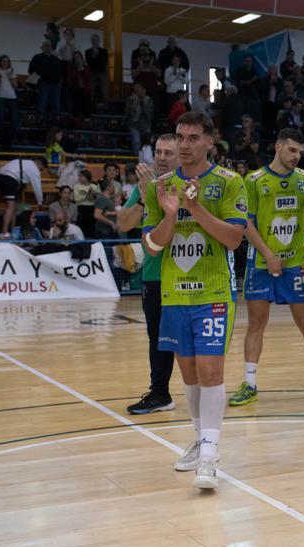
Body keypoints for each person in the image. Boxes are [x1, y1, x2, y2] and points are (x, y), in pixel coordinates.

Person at [141, 112, 248, 490]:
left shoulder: (230, 182)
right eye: (179, 137)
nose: (184, 145)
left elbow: (234, 239)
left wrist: (197, 208)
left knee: (210, 372)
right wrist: (171, 214)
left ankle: (209, 456)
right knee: (188, 376)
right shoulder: (162, 186)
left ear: (209, 142)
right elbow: (152, 246)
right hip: (174, 294)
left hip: (214, 293)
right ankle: (200, 440)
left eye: (192, 138)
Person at [228, 128, 304, 407]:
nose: (297, 156)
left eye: (300, 151)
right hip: (260, 263)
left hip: (295, 263)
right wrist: (268, 254)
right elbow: (246, 223)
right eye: (292, 150)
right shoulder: (254, 180)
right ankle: (249, 383)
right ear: (278, 147)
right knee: (256, 324)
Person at [119, 135, 178, 414]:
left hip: (186, 275)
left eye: (168, 152)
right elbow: (123, 223)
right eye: (158, 152)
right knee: (157, 338)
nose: (161, 157)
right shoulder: (145, 186)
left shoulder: (187, 184)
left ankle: (206, 390)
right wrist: (144, 199)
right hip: (154, 275)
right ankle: (160, 393)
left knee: (191, 338)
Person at [29, 40, 63, 122]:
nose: (48, 47)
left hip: (55, 85)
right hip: (43, 84)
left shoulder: (56, 59)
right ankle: (40, 119)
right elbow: (31, 70)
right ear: (41, 48)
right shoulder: (37, 57)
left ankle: (55, 120)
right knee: (42, 103)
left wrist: (60, 83)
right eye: (46, 45)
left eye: (49, 46)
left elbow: (61, 72)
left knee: (56, 105)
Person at [0, 55, 21, 151]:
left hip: (12, 97)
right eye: (4, 61)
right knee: (0, 118)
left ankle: (14, 137)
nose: (5, 63)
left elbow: (15, 86)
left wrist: (10, 77)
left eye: (7, 61)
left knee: (15, 118)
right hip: (0, 96)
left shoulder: (12, 70)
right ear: (0, 62)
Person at [86, 33, 109, 101]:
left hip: (102, 73)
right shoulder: (88, 51)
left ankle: (104, 107)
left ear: (99, 41)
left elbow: (104, 62)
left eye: (96, 40)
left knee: (104, 91)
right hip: (92, 73)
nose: (94, 41)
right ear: (91, 41)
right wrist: (93, 55)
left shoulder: (104, 51)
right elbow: (88, 62)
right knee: (91, 90)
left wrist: (97, 54)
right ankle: (90, 106)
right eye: (93, 40)